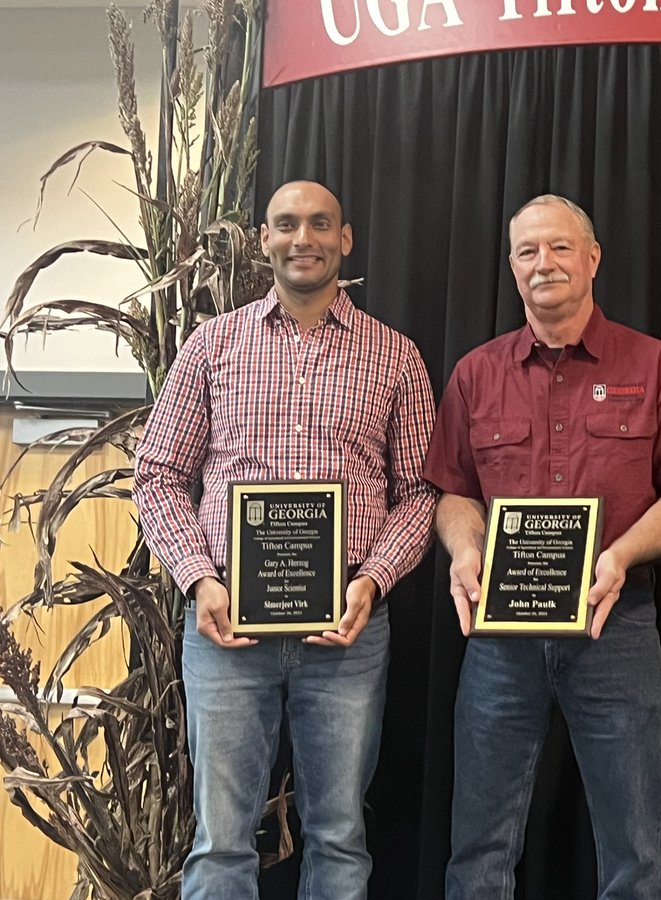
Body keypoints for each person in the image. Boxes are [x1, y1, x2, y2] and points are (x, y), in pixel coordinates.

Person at [134, 180, 437, 899]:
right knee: (220, 840)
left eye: (320, 224)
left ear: (346, 240)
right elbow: (157, 475)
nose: (304, 238)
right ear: (264, 240)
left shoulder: (396, 358)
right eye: (288, 225)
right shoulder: (212, 345)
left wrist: (373, 581)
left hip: (348, 630)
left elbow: (422, 492)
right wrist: (198, 579)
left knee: (339, 836)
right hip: (226, 624)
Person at [423, 194, 661, 898]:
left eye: (560, 247)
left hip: (614, 627)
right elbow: (455, 490)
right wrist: (465, 553)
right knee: (478, 848)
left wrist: (619, 557)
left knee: (635, 848)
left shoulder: (657, 365)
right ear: (511, 266)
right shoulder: (476, 373)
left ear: (592, 259)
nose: (544, 263)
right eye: (528, 251)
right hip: (501, 635)